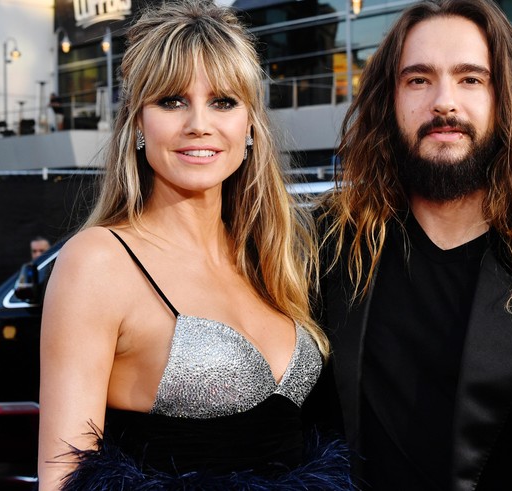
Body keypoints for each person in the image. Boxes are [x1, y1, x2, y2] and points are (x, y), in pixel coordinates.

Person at [316, 0, 512, 489]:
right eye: (418, 79)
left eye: (471, 79)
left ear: (504, 98)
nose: (444, 102)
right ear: (390, 100)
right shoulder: (327, 247)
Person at [36, 1, 350, 489]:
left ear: (249, 125)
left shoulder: (274, 253)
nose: (198, 123)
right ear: (138, 124)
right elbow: (62, 476)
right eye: (172, 101)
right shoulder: (98, 261)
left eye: (223, 101)